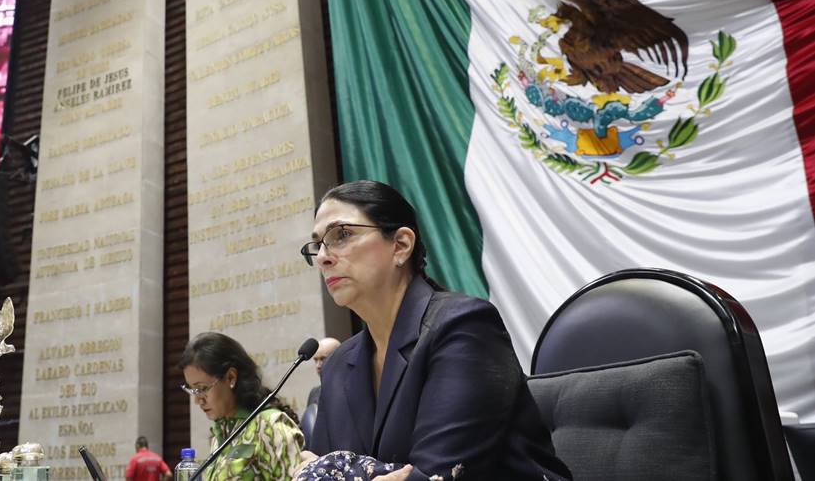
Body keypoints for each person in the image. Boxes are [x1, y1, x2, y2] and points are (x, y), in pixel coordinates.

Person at [297, 180, 571, 481]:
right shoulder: (338, 364)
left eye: (342, 235)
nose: (323, 257)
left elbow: (436, 476)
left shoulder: (463, 327)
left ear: (400, 245)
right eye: (317, 245)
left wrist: (334, 469)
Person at [179, 332, 305, 481]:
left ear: (231, 377)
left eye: (202, 388)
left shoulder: (269, 425)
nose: (198, 400)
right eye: (192, 390)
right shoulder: (220, 433)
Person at [305, 337, 341, 407]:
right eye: (316, 360)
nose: (318, 366)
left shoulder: (351, 388)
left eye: (323, 359)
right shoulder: (314, 393)